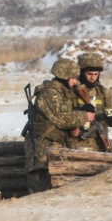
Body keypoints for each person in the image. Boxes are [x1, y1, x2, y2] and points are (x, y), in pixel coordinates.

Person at [24, 58, 95, 193]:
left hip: (54, 144)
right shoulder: (50, 94)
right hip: (43, 148)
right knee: (41, 188)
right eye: (73, 78)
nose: (75, 82)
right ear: (64, 76)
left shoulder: (62, 93)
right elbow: (62, 119)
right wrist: (84, 116)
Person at [67, 53, 112, 151]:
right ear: (82, 72)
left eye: (96, 74)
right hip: (76, 146)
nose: (93, 78)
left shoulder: (103, 93)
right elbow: (63, 118)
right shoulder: (71, 92)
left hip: (99, 146)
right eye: (89, 74)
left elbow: (111, 119)